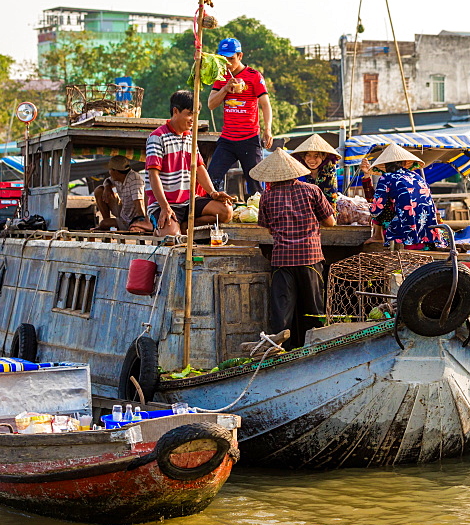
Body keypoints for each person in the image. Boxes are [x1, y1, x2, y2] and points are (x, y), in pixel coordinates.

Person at [251, 148, 335, 349]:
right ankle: (315, 349)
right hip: (310, 257)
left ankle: (281, 352)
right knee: (313, 310)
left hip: (282, 260)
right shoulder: (312, 191)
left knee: (282, 314)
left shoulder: (267, 197)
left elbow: (268, 228)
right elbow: (330, 222)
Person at [145, 90, 234, 237]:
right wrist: (164, 207)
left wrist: (213, 193)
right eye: (189, 114)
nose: (193, 119)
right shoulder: (157, 137)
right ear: (175, 111)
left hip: (188, 201)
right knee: (171, 237)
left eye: (195, 115)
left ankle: (185, 226)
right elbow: (153, 176)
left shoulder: (190, 137)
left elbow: (199, 168)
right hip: (164, 203)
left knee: (226, 212)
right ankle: (167, 227)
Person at [206, 38, 273, 198]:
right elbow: (210, 104)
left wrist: (268, 128)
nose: (228, 63)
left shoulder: (254, 76)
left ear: (240, 56)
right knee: (211, 177)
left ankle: (258, 216)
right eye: (224, 59)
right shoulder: (221, 76)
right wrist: (225, 88)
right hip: (227, 139)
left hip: (249, 138)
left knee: (255, 184)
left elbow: (265, 104)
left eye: (231, 58)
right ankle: (214, 211)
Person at [368, 143, 443, 250]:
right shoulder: (417, 176)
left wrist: (371, 213)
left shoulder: (387, 177)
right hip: (428, 226)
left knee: (380, 211)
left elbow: (377, 207)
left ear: (385, 165)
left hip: (406, 226)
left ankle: (378, 237)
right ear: (404, 163)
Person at [93, 155, 153, 232]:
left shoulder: (134, 179)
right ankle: (107, 223)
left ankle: (108, 225)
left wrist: (140, 221)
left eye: (110, 170)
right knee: (99, 190)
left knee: (103, 223)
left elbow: (139, 203)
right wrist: (107, 187)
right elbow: (107, 181)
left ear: (115, 171)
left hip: (132, 218)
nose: (109, 172)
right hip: (123, 210)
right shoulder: (117, 177)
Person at [291, 134, 341, 206]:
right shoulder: (298, 171)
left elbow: (331, 198)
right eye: (308, 155)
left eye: (316, 156)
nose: (312, 160)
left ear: (323, 157)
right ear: (304, 157)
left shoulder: (329, 171)